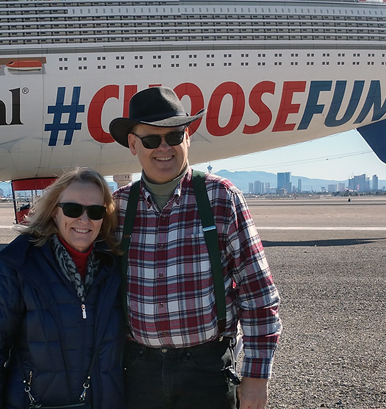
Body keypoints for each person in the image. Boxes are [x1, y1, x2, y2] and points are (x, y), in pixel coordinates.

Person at [108, 87, 282, 409]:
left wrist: (256, 377)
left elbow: (258, 294)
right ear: (133, 144)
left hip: (207, 370)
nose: (164, 148)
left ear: (187, 138)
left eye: (174, 137)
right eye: (150, 140)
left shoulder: (220, 197)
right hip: (137, 371)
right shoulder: (118, 206)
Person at [0, 167, 124, 409]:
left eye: (95, 211)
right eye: (73, 209)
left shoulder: (115, 267)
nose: (84, 220)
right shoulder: (20, 266)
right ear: (54, 212)